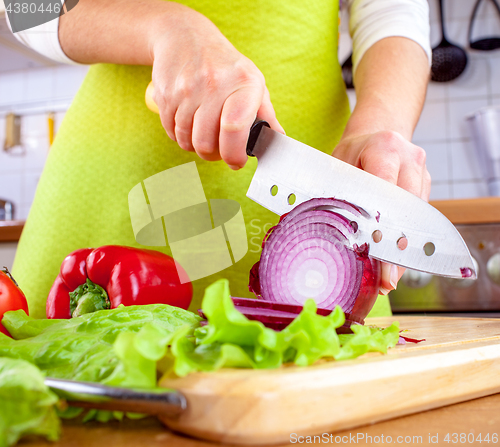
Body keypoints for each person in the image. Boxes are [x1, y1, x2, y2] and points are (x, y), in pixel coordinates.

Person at [9, 0, 432, 319]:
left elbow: (395, 13)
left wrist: (379, 125)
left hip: (312, 185)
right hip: (112, 181)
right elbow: (26, 8)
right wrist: (167, 27)